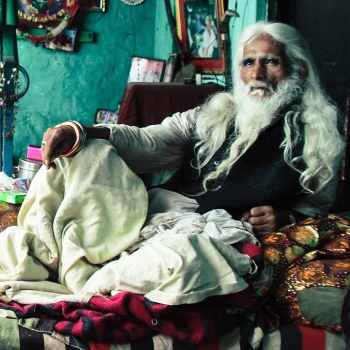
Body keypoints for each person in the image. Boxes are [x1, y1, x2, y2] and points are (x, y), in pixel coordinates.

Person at [40, 21, 344, 238]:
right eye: (248, 62)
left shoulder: (318, 134)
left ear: (298, 69)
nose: (256, 73)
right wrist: (79, 131)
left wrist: (285, 217)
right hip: (164, 212)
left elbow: (317, 208)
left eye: (271, 61)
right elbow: (150, 141)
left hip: (220, 233)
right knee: (78, 154)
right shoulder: (216, 114)